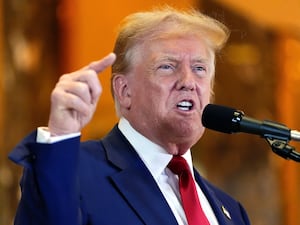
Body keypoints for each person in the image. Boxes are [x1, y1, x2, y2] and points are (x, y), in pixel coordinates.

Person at [9, 6, 251, 225]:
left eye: (199, 69)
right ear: (124, 91)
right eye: (167, 66)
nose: (188, 81)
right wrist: (60, 136)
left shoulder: (231, 210)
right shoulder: (74, 172)